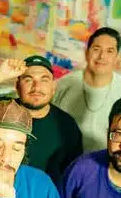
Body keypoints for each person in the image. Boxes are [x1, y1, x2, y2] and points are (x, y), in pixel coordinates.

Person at [53, 27, 121, 152]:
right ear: (86, 53)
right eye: (96, 49)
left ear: (117, 58)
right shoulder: (64, 84)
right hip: (64, 157)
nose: (102, 56)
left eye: (109, 51)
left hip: (108, 160)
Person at [14, 55, 83, 185]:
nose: (36, 87)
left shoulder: (67, 125)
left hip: (46, 195)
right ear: (17, 86)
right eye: (28, 80)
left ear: (53, 87)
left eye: (44, 80)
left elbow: (72, 176)